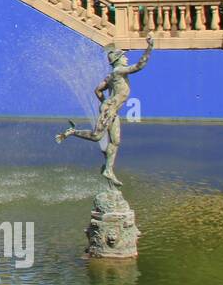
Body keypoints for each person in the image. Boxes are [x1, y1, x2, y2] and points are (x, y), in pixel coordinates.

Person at [56, 35, 155, 186]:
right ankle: (72, 132)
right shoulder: (119, 71)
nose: (126, 59)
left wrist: (105, 103)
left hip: (111, 111)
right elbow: (139, 66)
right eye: (124, 57)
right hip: (110, 110)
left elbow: (98, 90)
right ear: (118, 60)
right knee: (97, 136)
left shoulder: (112, 75)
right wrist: (149, 47)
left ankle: (108, 169)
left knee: (115, 141)